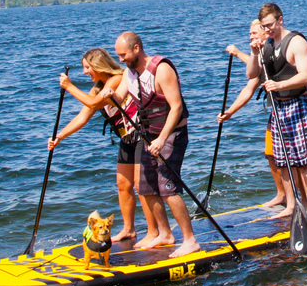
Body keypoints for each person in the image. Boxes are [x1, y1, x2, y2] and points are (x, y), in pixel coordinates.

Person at [47, 47, 163, 247]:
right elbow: (82, 116)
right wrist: (59, 136)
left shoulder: (118, 78)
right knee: (122, 184)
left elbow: (93, 104)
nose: (85, 72)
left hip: (141, 135)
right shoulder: (97, 87)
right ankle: (129, 229)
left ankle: (153, 232)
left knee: (140, 185)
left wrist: (70, 87)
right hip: (126, 138)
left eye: (87, 68)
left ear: (99, 65)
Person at [113, 32, 199, 256]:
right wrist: (106, 94)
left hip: (172, 133)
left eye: (123, 55)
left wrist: (162, 139)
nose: (121, 59)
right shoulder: (129, 73)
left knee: (167, 186)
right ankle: (164, 233)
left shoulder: (161, 68)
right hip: (148, 134)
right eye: (118, 56)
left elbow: (177, 107)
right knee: (146, 185)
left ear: (136, 49)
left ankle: (190, 240)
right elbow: (117, 98)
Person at [245, 3, 307, 223]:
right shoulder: (267, 44)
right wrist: (253, 52)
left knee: (304, 160)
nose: (267, 30)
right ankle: (292, 205)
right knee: (283, 161)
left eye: (269, 25)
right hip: (279, 109)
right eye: (263, 26)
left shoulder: (296, 42)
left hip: (298, 104)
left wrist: (278, 85)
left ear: (280, 19)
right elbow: (251, 73)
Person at [219, 18, 292, 210]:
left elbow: (258, 68)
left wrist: (238, 53)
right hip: (275, 111)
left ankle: (295, 198)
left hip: (289, 108)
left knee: (288, 158)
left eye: (253, 33)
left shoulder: (271, 49)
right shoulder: (258, 54)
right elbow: (249, 87)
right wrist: (230, 112)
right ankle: (281, 195)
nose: (250, 36)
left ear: (265, 33)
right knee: (271, 155)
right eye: (249, 33)